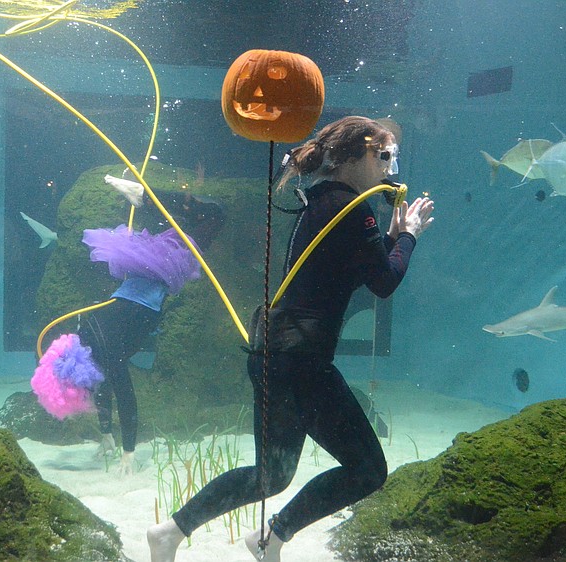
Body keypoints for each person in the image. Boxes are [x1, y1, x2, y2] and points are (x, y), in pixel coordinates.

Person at [147, 116, 434, 561]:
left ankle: (173, 532)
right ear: (356, 155)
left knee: (270, 476)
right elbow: (383, 283)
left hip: (274, 354)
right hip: (303, 362)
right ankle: (272, 537)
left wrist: (391, 237)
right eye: (383, 155)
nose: (389, 167)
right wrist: (410, 236)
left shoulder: (321, 200)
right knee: (368, 469)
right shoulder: (353, 208)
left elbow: (346, 274)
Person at [80, 191, 224, 476]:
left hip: (140, 296)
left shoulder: (101, 345)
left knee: (203, 225)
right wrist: (108, 435)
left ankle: (145, 196)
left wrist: (128, 453)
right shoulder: (96, 345)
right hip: (138, 297)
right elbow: (108, 388)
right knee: (193, 233)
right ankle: (148, 198)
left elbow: (121, 393)